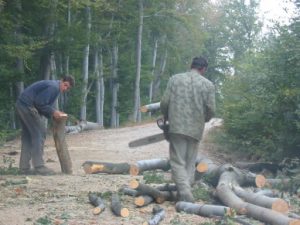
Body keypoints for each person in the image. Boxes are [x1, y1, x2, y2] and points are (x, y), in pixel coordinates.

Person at [160, 56, 215, 202]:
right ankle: (184, 194)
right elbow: (211, 110)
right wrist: (204, 119)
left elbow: (165, 102)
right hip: (196, 128)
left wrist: (166, 115)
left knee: (178, 162)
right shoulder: (208, 85)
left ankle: (184, 193)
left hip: (177, 126)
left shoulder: (175, 79)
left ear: (191, 66)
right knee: (190, 163)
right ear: (203, 69)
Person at [16, 75, 75, 175]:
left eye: (68, 88)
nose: (65, 89)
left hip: (21, 105)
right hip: (27, 106)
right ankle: (39, 166)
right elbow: (40, 103)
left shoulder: (54, 87)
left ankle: (24, 168)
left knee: (28, 137)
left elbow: (43, 104)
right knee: (40, 132)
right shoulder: (54, 87)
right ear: (61, 81)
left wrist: (53, 112)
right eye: (65, 85)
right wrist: (53, 112)